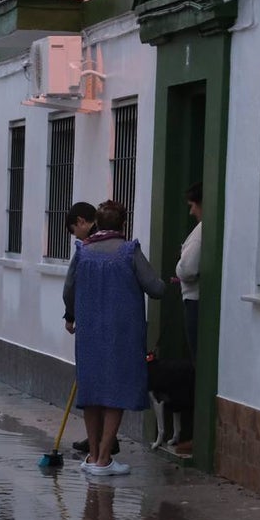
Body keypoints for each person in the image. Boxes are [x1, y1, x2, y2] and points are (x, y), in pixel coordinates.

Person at [62, 200, 168, 476]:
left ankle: (93, 455)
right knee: (115, 394)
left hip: (89, 336)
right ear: (123, 224)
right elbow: (155, 288)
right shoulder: (129, 252)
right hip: (123, 336)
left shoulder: (82, 252)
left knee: (92, 392)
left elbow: (68, 291)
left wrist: (71, 316)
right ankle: (105, 458)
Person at [65, 202, 118, 459]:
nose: (75, 235)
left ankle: (98, 448)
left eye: (74, 229)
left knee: (94, 383)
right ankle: (103, 443)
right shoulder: (120, 243)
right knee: (108, 381)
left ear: (82, 221)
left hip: (92, 324)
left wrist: (70, 314)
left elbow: (71, 285)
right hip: (116, 323)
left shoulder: (86, 248)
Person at [175, 182, 203, 363]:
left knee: (196, 353)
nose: (191, 212)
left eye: (192, 206)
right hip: (195, 297)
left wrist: (179, 268)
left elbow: (188, 268)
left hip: (194, 300)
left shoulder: (201, 232)